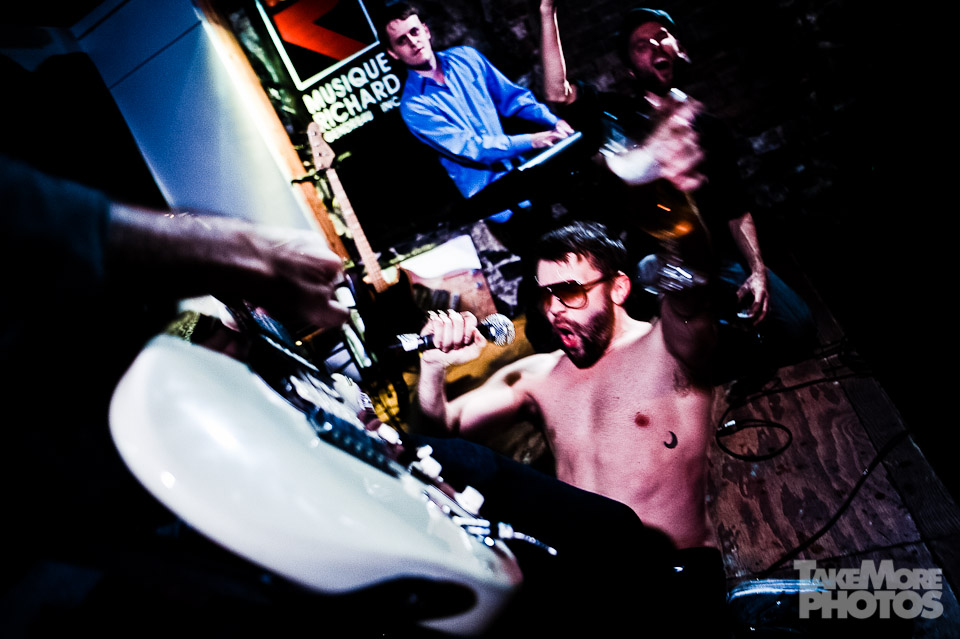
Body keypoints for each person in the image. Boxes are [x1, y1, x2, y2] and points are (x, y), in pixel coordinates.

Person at [415, 220, 728, 630]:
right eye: (545, 295)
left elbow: (693, 286)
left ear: (618, 288)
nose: (554, 309)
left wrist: (675, 209)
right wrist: (433, 366)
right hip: (586, 582)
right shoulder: (538, 375)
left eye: (569, 291)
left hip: (674, 576)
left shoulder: (668, 348)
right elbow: (441, 428)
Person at [538, 2, 817, 383]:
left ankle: (717, 350)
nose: (654, 46)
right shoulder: (615, 113)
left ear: (680, 49)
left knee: (798, 329)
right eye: (641, 45)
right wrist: (547, 10)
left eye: (661, 37)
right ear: (630, 68)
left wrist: (756, 272)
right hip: (652, 263)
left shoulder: (710, 127)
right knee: (670, 337)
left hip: (715, 259)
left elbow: (736, 209)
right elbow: (557, 93)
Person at [381, 2, 575, 254]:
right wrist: (534, 139)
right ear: (394, 53)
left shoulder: (466, 58)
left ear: (426, 31)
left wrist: (552, 121)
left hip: (528, 181)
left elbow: (512, 98)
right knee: (542, 264)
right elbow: (472, 148)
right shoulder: (413, 106)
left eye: (414, 31)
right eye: (401, 40)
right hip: (499, 205)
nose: (413, 42)